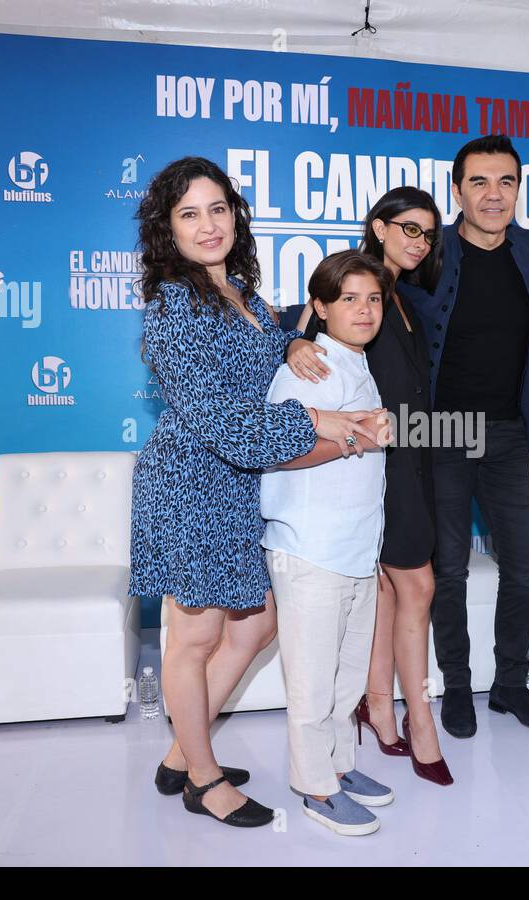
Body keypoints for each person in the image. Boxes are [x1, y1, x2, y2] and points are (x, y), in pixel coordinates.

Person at [128, 157, 382, 829]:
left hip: (240, 487)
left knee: (257, 623)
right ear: (168, 230)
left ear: (236, 214)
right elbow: (219, 419)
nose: (208, 225)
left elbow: (265, 351)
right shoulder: (173, 307)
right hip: (192, 482)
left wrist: (295, 341)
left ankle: (184, 749)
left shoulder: (239, 289)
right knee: (195, 636)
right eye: (189, 214)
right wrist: (318, 419)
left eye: (218, 209)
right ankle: (202, 777)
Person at [283, 187, 452, 785]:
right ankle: (417, 719)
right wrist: (293, 342)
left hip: (405, 459)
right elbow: (294, 330)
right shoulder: (352, 287)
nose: (418, 241)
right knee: (417, 585)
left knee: (383, 592)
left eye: (427, 233)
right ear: (377, 227)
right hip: (378, 462)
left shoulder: (400, 299)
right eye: (407, 228)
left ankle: (378, 706)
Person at [399, 135, 529, 737]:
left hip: (508, 430)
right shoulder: (430, 249)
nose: (493, 195)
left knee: (524, 564)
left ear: (519, 188)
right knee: (451, 569)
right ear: (457, 190)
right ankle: (458, 687)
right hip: (441, 428)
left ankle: (511, 687)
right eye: (479, 183)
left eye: (506, 183)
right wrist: (300, 327)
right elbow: (359, 284)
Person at [261, 250, 396, 835]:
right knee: (313, 680)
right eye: (349, 299)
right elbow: (274, 449)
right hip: (310, 547)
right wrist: (355, 442)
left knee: (346, 675)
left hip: (355, 549)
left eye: (373, 299)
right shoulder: (306, 367)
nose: (364, 311)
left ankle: (338, 765)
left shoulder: (358, 363)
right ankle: (314, 784)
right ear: (319, 307)